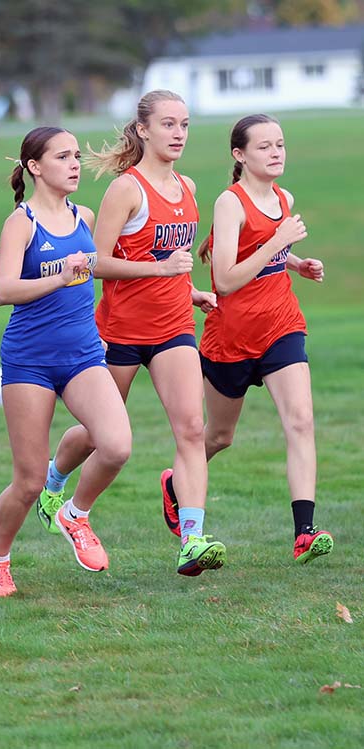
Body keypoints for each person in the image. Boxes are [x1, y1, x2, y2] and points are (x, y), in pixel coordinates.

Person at [34, 90, 226, 577]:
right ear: (143, 130)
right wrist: (160, 273)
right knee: (102, 436)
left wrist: (190, 292)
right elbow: (95, 264)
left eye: (184, 124)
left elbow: (175, 266)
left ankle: (192, 538)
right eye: (168, 124)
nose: (178, 133)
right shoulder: (127, 189)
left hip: (174, 328)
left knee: (190, 429)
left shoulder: (188, 187)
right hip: (119, 331)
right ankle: (54, 481)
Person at [0, 127, 132, 598]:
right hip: (30, 362)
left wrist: (182, 287)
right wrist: (59, 277)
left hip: (83, 354)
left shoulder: (83, 215)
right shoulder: (21, 224)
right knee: (25, 482)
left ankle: (73, 512)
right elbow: (3, 291)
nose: (75, 164)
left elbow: (109, 268)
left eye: (76, 156)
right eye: (63, 157)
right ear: (35, 167)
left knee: (117, 446)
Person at [167, 114, 331, 564]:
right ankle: (174, 483)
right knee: (217, 437)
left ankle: (304, 532)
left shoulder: (284, 197)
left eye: (280, 144)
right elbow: (225, 278)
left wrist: (294, 262)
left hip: (281, 325)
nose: (276, 153)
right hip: (231, 337)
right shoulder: (229, 202)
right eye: (264, 147)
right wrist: (277, 240)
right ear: (240, 155)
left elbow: (266, 251)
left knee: (300, 421)